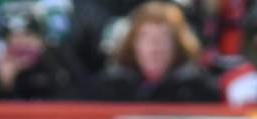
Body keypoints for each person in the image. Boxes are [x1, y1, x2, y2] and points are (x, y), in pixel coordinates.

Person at [81, 1, 220, 102]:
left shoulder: (200, 90)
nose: (155, 47)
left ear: (178, 45)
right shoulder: (108, 90)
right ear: (132, 44)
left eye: (164, 38)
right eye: (146, 37)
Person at [0, 1, 78, 100]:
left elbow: (80, 97)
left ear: (41, 38)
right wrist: (5, 85)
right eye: (13, 37)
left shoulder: (59, 62)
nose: (21, 43)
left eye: (27, 34)